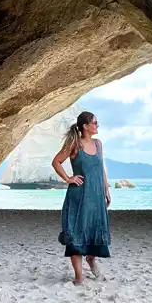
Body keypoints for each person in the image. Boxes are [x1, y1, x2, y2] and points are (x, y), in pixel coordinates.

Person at [52, 111, 111, 285]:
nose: (97, 125)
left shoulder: (98, 144)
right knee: (76, 233)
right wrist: (68, 178)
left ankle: (91, 260)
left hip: (97, 195)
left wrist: (106, 190)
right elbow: (56, 162)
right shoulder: (74, 145)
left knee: (95, 230)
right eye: (95, 122)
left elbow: (102, 169)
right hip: (78, 196)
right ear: (85, 126)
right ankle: (79, 277)